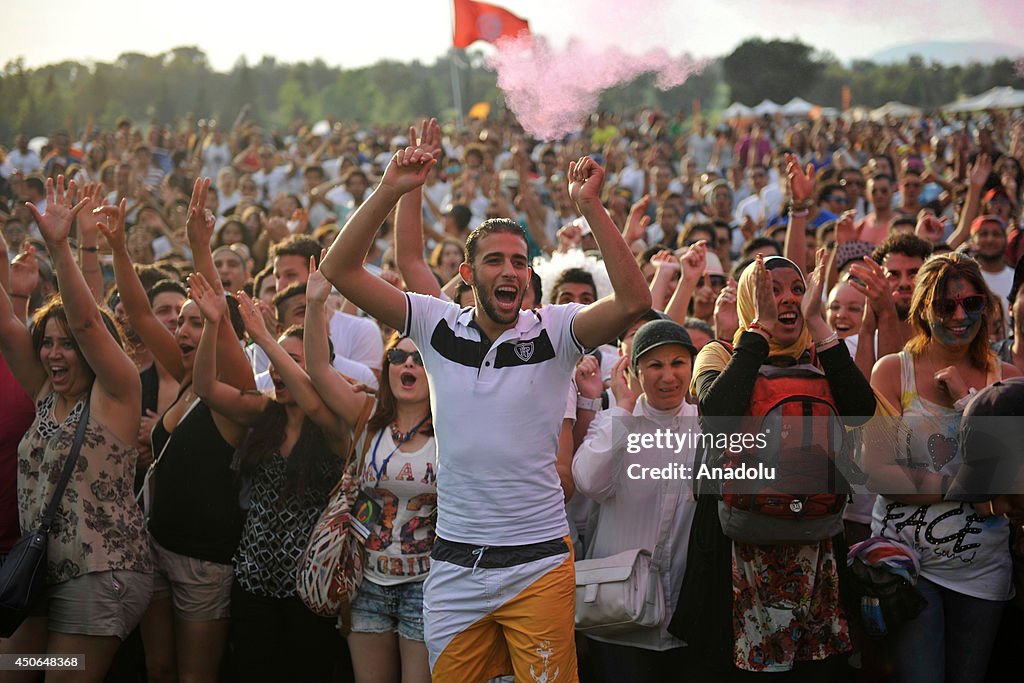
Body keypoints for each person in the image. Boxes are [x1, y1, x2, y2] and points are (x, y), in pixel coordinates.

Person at [318, 125, 651, 681]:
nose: (510, 272)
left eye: (520, 263)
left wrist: (590, 206)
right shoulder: (433, 323)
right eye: (495, 261)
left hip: (538, 565)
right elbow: (339, 271)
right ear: (469, 275)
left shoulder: (556, 331)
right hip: (452, 570)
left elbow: (636, 301)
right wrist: (391, 188)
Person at [673, 251, 876, 678]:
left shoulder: (822, 356)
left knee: (814, 667)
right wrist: (758, 333)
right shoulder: (720, 354)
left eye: (797, 291)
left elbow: (860, 409)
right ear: (751, 297)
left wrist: (820, 323)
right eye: (772, 290)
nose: (786, 300)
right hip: (736, 538)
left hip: (815, 538)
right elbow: (718, 411)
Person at [101, 178, 255, 683]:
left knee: (195, 678)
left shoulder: (233, 386)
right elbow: (142, 314)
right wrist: (120, 248)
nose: (183, 331)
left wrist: (200, 247)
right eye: (183, 322)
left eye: (196, 322)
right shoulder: (189, 374)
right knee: (158, 667)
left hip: (205, 562)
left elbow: (222, 321)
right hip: (156, 546)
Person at [0, 177, 153, 678]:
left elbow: (89, 322)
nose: (54, 353)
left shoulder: (116, 393)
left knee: (62, 674)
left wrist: (60, 247)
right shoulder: (47, 392)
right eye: (47, 342)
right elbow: (5, 322)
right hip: (39, 571)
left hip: (98, 574)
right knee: (16, 668)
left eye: (67, 344)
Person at [865, 252, 1021, 683]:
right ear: (922, 309)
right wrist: (966, 488)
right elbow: (877, 471)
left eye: (972, 304)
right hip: (908, 568)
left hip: (982, 571)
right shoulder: (894, 372)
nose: (959, 315)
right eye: (945, 305)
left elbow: (1009, 488)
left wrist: (969, 403)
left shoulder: (1006, 378)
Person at [186, 272, 347, 682]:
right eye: (278, 362)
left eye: (295, 362)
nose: (279, 371)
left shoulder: (331, 426)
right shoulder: (264, 413)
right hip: (253, 578)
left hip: (308, 589)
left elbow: (312, 400)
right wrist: (211, 325)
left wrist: (266, 341)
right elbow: (205, 386)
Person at [304, 262, 435, 683]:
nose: (407, 364)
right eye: (398, 355)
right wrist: (314, 304)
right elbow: (320, 371)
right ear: (387, 365)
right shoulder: (366, 418)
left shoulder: (454, 430)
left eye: (418, 359)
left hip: (426, 585)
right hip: (366, 583)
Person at [572, 320, 700, 680]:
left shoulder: (704, 426)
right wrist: (622, 409)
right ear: (633, 369)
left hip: (683, 621)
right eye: (655, 365)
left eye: (678, 363)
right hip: (617, 619)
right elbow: (588, 482)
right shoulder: (614, 421)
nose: (668, 376)